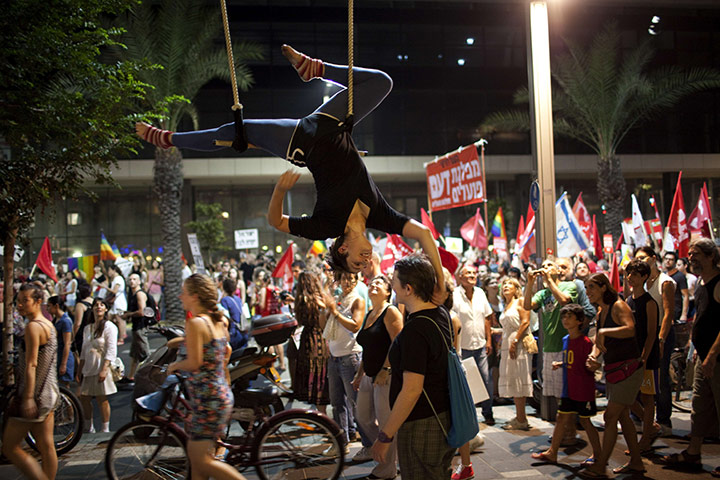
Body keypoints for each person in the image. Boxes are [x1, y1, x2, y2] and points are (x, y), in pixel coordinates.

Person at [136, 45, 446, 302]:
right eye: (364, 265)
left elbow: (276, 221)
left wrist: (280, 192)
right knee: (382, 82)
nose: (366, 262)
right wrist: (440, 281)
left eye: (357, 262)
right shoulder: (382, 216)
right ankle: (316, 69)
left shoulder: (325, 226)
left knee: (233, 132)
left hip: (301, 140)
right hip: (332, 123)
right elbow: (424, 234)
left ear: (343, 248)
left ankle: (167, 139)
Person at [371, 254, 455, 480]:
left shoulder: (416, 330)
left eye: (394, 281)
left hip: (422, 425)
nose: (392, 287)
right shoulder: (440, 314)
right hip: (442, 416)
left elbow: (412, 389)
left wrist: (385, 437)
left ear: (408, 289)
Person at [166, 274, 243, 480]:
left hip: (209, 399)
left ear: (195, 296)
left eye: (184, 292)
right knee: (198, 465)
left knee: (200, 460)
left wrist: (174, 365)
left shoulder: (197, 323)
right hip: (218, 395)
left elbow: (194, 363)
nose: (180, 297)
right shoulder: (216, 321)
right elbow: (225, 350)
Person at [661, 238, 720, 475]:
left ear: (710, 257)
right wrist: (697, 351)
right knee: (699, 406)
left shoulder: (718, 282)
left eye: (695, 254)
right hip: (703, 357)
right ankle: (693, 453)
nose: (691, 258)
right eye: (690, 254)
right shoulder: (701, 283)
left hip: (716, 360)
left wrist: (713, 355)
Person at [584, 273, 644, 477]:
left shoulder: (618, 305)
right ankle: (636, 461)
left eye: (591, 287)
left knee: (610, 416)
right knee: (623, 417)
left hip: (628, 368)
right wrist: (593, 356)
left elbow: (630, 329)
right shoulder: (602, 311)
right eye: (586, 287)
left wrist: (603, 333)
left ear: (603, 287)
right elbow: (599, 345)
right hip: (614, 368)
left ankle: (601, 466)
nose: (588, 292)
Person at [531, 304, 601, 467]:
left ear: (579, 321)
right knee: (561, 417)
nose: (565, 320)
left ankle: (598, 454)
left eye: (569, 316)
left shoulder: (584, 342)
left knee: (585, 421)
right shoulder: (565, 340)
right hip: (568, 388)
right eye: (564, 317)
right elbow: (573, 360)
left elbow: (587, 364)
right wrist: (562, 363)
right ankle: (552, 452)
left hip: (582, 389)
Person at [2, 283, 59, 480]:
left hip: (35, 394)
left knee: (9, 446)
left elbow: (31, 364)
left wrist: (27, 398)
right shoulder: (48, 325)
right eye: (18, 301)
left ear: (38, 302)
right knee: (46, 444)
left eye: (25, 301)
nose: (20, 305)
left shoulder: (33, 327)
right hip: (50, 392)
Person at [352, 274, 403, 474]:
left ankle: (387, 468)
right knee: (362, 417)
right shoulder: (370, 313)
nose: (374, 285)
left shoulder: (391, 312)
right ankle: (386, 452)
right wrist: (359, 374)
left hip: (386, 376)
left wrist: (385, 369)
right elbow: (368, 348)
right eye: (372, 283)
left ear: (388, 291)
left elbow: (396, 344)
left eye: (379, 283)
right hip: (369, 374)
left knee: (385, 422)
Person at [523, 259, 578, 444]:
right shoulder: (542, 293)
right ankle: (563, 431)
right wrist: (530, 283)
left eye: (549, 266)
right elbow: (527, 305)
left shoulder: (569, 286)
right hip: (549, 348)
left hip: (566, 346)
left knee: (567, 392)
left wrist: (550, 282)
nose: (545, 268)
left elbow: (564, 301)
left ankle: (570, 432)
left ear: (557, 271)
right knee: (555, 393)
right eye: (544, 266)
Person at [634, 246, 676, 436]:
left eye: (643, 258)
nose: (640, 261)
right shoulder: (640, 281)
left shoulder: (665, 282)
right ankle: (643, 418)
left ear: (652, 258)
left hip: (660, 332)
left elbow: (668, 313)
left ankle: (664, 420)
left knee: (660, 377)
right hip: (642, 333)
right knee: (642, 377)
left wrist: (661, 338)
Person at [323, 271, 366, 455]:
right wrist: (325, 309)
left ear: (357, 281)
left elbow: (355, 325)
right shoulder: (337, 299)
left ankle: (368, 444)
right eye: (344, 278)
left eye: (351, 279)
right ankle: (342, 442)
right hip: (334, 357)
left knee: (357, 404)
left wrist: (334, 312)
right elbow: (322, 324)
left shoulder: (357, 300)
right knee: (337, 402)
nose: (347, 282)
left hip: (350, 357)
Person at [452, 264, 496, 425]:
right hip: (462, 346)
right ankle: (468, 415)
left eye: (474, 273)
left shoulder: (480, 293)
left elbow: (486, 318)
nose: (472, 275)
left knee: (486, 379)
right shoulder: (455, 295)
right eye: (468, 273)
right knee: (466, 383)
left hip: (480, 344)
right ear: (460, 277)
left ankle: (488, 412)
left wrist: (489, 340)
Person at [625, 259, 661, 453]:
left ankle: (646, 438)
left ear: (644, 277)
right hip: (632, 357)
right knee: (629, 397)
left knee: (648, 399)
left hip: (647, 358)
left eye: (635, 274)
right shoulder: (628, 301)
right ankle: (651, 428)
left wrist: (645, 356)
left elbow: (651, 333)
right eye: (629, 274)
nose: (631, 278)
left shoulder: (649, 302)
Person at [292, 272, 331, 414]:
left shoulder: (301, 301)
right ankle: (322, 413)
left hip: (307, 340)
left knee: (312, 376)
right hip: (321, 339)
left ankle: (320, 414)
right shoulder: (322, 299)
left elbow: (300, 320)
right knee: (321, 376)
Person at [77, 298, 118, 433]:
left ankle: (105, 428)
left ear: (106, 309)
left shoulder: (109, 326)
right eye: (96, 305)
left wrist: (104, 369)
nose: (98, 307)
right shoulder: (87, 328)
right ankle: (89, 426)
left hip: (101, 365)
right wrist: (79, 369)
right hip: (89, 366)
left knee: (102, 398)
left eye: (102, 305)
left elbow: (112, 349)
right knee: (84, 397)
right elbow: (83, 350)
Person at [498, 278, 533, 431]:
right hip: (507, 342)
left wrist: (515, 341)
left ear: (516, 288)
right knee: (512, 378)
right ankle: (520, 416)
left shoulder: (520, 301)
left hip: (517, 344)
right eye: (504, 284)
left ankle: (522, 419)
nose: (506, 286)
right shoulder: (506, 305)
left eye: (510, 284)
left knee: (519, 377)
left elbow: (525, 322)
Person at [120, 273, 151, 382]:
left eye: (134, 279)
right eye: (130, 279)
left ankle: (150, 378)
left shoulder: (139, 294)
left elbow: (142, 312)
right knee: (135, 355)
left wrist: (128, 315)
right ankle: (130, 376)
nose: (132, 281)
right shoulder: (133, 295)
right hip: (136, 327)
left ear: (139, 282)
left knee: (146, 354)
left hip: (140, 327)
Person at [47, 296, 74, 387]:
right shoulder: (56, 320)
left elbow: (67, 343)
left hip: (64, 357)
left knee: (64, 387)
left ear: (56, 306)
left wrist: (63, 364)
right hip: (57, 355)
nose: (47, 309)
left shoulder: (65, 321)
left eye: (49, 306)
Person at [663, 251, 690, 323]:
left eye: (671, 259)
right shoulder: (663, 275)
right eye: (666, 259)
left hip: (676, 312)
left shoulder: (680, 276)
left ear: (675, 262)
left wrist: (684, 314)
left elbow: (685, 295)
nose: (668, 261)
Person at [106, 265, 128, 345]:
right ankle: (118, 335)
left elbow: (114, 291)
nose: (109, 272)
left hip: (119, 302)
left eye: (109, 270)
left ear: (114, 270)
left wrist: (104, 287)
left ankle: (121, 338)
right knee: (111, 319)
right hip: (116, 302)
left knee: (120, 320)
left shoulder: (118, 279)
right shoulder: (115, 279)